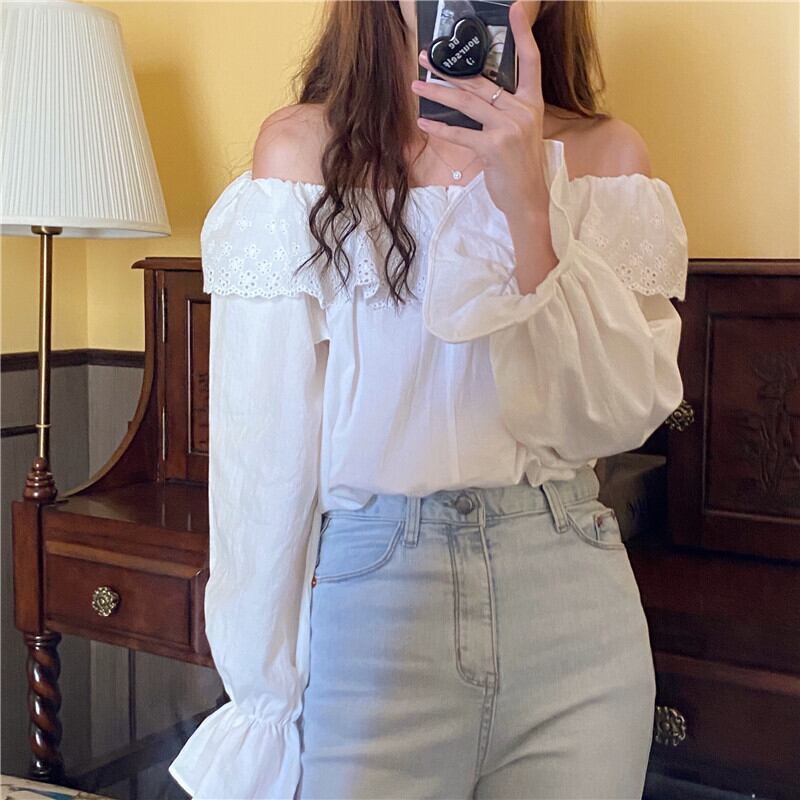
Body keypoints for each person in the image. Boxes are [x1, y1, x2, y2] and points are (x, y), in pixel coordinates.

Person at [168, 1, 688, 798]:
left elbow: (616, 416)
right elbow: (261, 463)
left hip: (574, 603)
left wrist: (528, 207)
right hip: (377, 608)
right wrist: (265, 695)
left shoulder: (607, 160)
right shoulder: (301, 157)